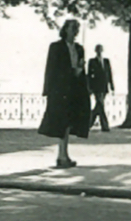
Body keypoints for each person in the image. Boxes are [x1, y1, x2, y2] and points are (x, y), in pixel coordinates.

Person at [38, 19, 91, 168]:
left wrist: (80, 72)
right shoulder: (56, 47)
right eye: (73, 28)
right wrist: (48, 90)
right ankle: (62, 155)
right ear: (65, 29)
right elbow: (52, 68)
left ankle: (63, 155)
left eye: (77, 28)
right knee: (62, 122)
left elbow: (81, 69)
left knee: (69, 122)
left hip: (74, 89)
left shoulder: (79, 48)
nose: (75, 31)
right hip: (60, 89)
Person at [87, 44, 114, 132]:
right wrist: (89, 87)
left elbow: (109, 74)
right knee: (100, 105)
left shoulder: (106, 61)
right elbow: (89, 75)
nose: (99, 52)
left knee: (99, 106)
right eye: (98, 50)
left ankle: (89, 123)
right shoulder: (92, 61)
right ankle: (104, 126)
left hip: (104, 86)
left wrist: (112, 85)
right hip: (96, 87)